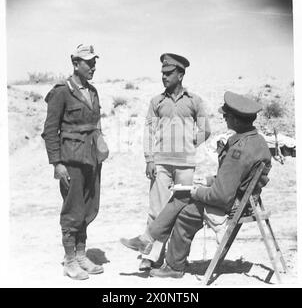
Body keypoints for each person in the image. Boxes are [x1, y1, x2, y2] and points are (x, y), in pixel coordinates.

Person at [120, 91, 272, 278]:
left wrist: (195, 191)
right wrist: (207, 181)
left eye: (227, 115)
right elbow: (237, 178)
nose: (224, 117)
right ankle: (151, 242)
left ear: (238, 120)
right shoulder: (256, 141)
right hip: (247, 199)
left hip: (234, 204)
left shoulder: (238, 151)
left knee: (184, 203)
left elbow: (221, 196)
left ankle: (169, 261)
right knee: (183, 197)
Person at [121, 53, 211, 270]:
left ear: (180, 75)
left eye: (169, 73)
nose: (164, 77)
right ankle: (151, 258)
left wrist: (190, 144)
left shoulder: (194, 101)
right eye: (162, 73)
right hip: (161, 164)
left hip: (186, 164)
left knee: (181, 213)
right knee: (157, 211)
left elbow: (206, 129)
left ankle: (173, 261)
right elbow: (148, 130)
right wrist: (149, 159)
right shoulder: (156, 102)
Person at [41, 44, 109, 280]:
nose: (93, 67)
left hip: (91, 159)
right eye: (88, 63)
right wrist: (57, 164)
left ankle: (81, 254)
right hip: (71, 160)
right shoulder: (62, 91)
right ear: (75, 63)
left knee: (89, 207)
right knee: (73, 210)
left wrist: (101, 146)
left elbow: (96, 123)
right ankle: (70, 261)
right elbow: (50, 131)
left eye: (94, 62)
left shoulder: (93, 91)